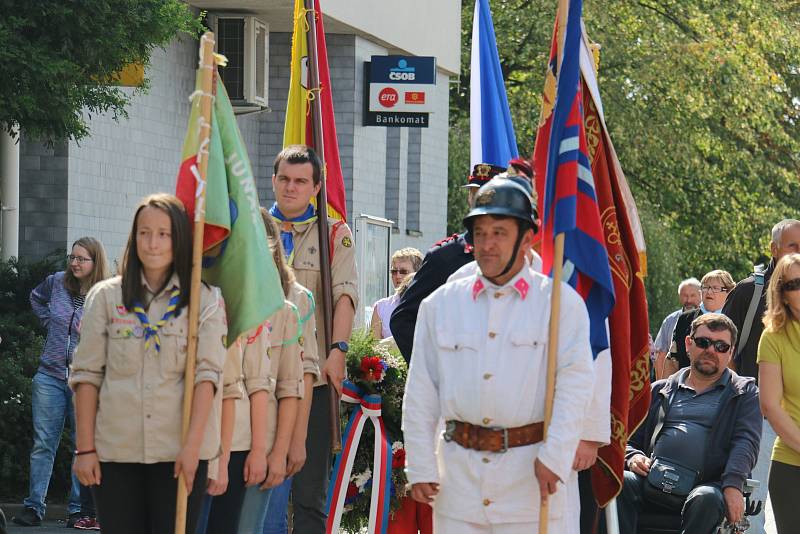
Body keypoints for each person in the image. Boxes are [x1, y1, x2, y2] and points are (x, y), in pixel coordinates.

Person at [403, 178, 595, 532]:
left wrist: (556, 455)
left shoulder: (560, 305)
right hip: (458, 485)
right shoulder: (441, 305)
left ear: (527, 239)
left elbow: (575, 386)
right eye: (480, 232)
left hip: (529, 480)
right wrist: (420, 465)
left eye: (499, 233)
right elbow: (421, 392)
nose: (487, 244)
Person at [70, 193, 227, 534]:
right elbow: (86, 377)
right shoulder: (106, 296)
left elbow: (208, 378)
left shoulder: (204, 300)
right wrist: (85, 449)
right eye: (144, 232)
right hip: (115, 454)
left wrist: (193, 448)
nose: (152, 243)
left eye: (163, 234)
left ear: (179, 240)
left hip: (178, 455)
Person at [266, 145, 357, 533]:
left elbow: (345, 297)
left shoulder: (334, 232)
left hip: (313, 377)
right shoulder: (253, 228)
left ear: (316, 187)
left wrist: (338, 350)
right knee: (256, 481)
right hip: (260, 376)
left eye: (301, 181)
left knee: (309, 492)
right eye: (284, 179)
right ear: (273, 180)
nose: (291, 188)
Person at [618, 313, 761, 534]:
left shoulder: (744, 393)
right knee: (618, 483)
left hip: (706, 485)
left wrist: (733, 484)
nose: (711, 351)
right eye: (703, 342)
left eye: (721, 346)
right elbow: (628, 439)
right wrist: (633, 457)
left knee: (707, 498)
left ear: (731, 352)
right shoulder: (659, 390)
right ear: (688, 343)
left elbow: (746, 443)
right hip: (651, 478)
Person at [12, 237, 110, 529]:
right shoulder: (56, 282)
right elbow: (35, 297)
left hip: (84, 381)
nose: (75, 263)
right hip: (49, 375)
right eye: (72, 257)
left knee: (83, 446)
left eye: (82, 258)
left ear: (95, 263)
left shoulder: (103, 294)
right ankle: (34, 507)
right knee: (43, 444)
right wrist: (47, 321)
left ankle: (78, 511)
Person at [724, 218, 800, 534]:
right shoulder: (747, 292)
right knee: (752, 510)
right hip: (756, 417)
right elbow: (723, 351)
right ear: (774, 248)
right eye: (793, 245)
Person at [390, 162, 505, 362]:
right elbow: (403, 319)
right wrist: (435, 369)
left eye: (488, 195)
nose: (480, 201)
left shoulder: (521, 256)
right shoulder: (445, 257)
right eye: (475, 194)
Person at [757, 253, 800, 533]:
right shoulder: (772, 337)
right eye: (794, 284)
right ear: (782, 295)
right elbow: (770, 406)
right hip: (791, 464)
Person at [668, 270, 735, 371]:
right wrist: (666, 386)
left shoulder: (735, 319)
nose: (709, 292)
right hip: (687, 383)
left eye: (715, 288)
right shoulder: (685, 319)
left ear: (729, 292)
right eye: (705, 287)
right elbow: (672, 359)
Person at [653, 278, 701, 380]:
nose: (688, 300)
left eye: (692, 295)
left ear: (701, 295)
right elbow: (661, 354)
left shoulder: (710, 317)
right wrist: (661, 384)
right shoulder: (670, 320)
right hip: (675, 380)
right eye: (685, 296)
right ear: (679, 296)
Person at [370, 247, 423, 340]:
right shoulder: (381, 307)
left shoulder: (427, 304)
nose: (397, 276)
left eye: (403, 272)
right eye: (394, 271)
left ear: (417, 273)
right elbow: (373, 349)